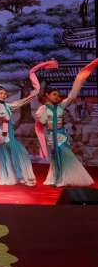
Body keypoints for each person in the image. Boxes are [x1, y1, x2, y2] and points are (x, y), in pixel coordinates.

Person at [0, 61, 54, 186]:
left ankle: (10, 176)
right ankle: (20, 176)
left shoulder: (7, 105)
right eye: (1, 93)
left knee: (12, 155)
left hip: (9, 133)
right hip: (4, 134)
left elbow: (22, 102)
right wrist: (2, 130)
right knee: (19, 153)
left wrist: (33, 95)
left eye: (5, 93)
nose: (4, 95)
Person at [35, 58, 98, 187]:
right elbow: (42, 122)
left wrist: (80, 78)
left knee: (65, 154)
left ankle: (62, 178)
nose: (57, 97)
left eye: (58, 95)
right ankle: (57, 178)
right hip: (51, 135)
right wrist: (46, 119)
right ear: (47, 95)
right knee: (56, 156)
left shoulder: (61, 106)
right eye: (54, 94)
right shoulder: (43, 109)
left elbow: (72, 96)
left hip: (61, 135)